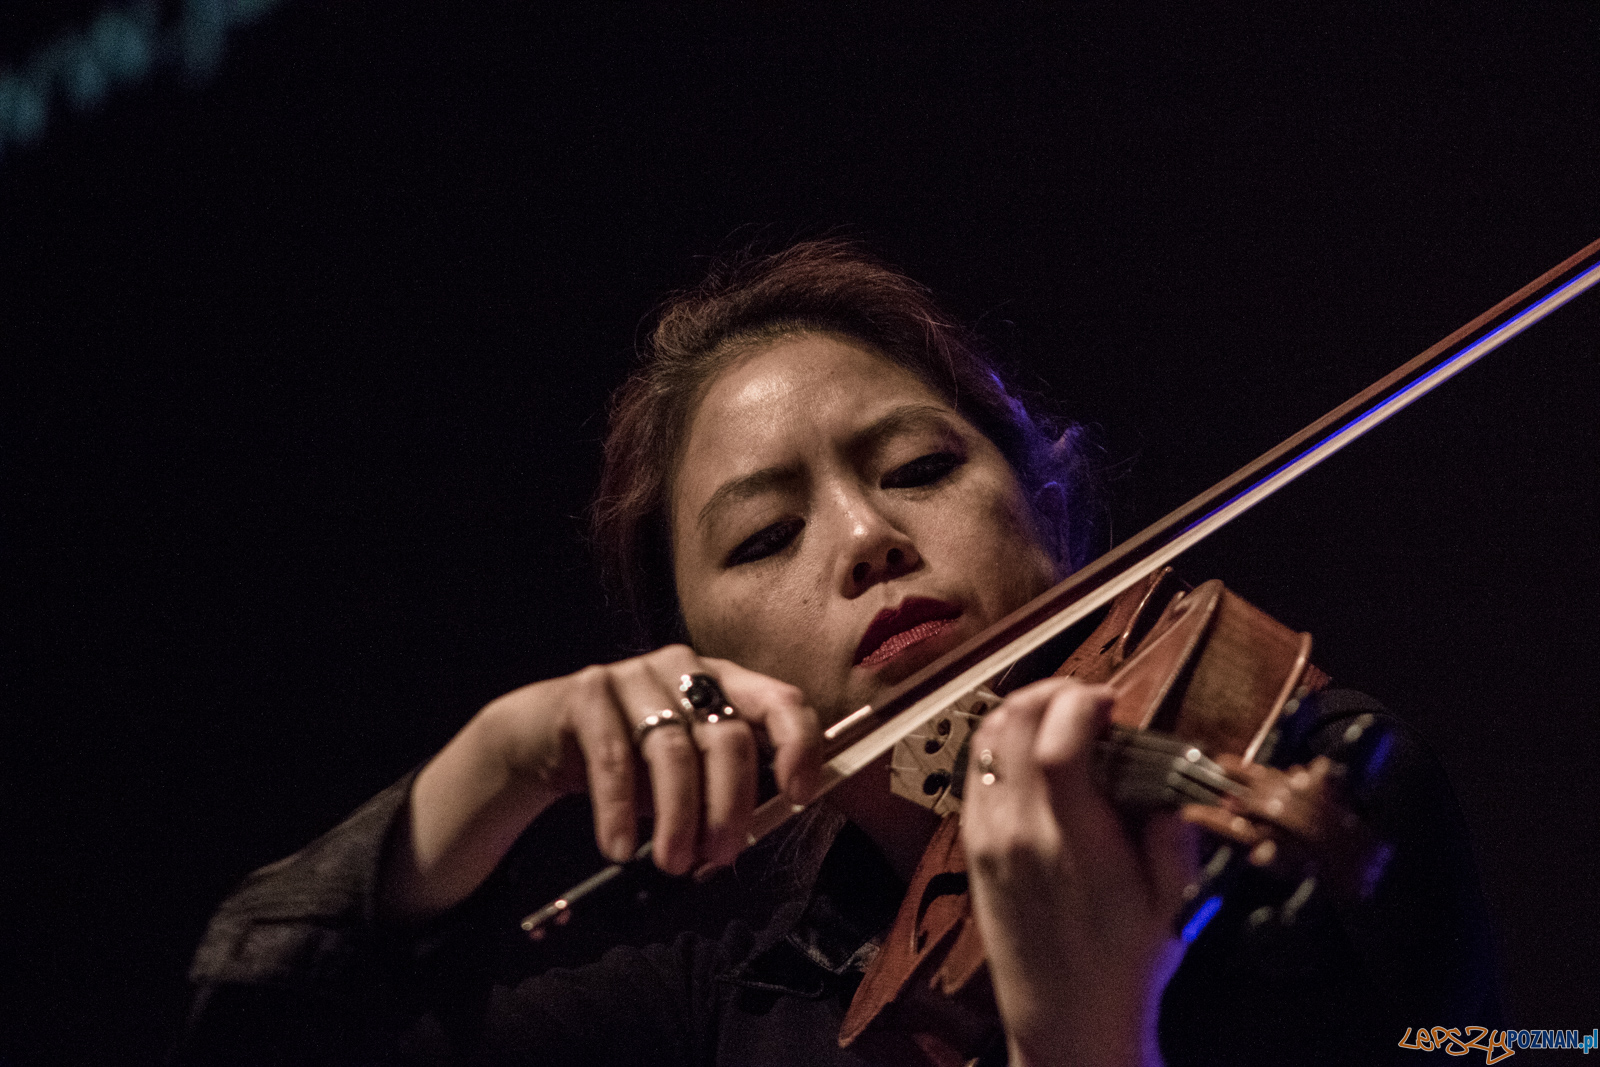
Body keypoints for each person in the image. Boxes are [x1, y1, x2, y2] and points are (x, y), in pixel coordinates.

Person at [174, 240, 1498, 1066]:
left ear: (1047, 506)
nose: (868, 539)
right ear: (706, 667)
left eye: (921, 467)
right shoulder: (718, 1024)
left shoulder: (1308, 825)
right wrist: (496, 763)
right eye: (763, 538)